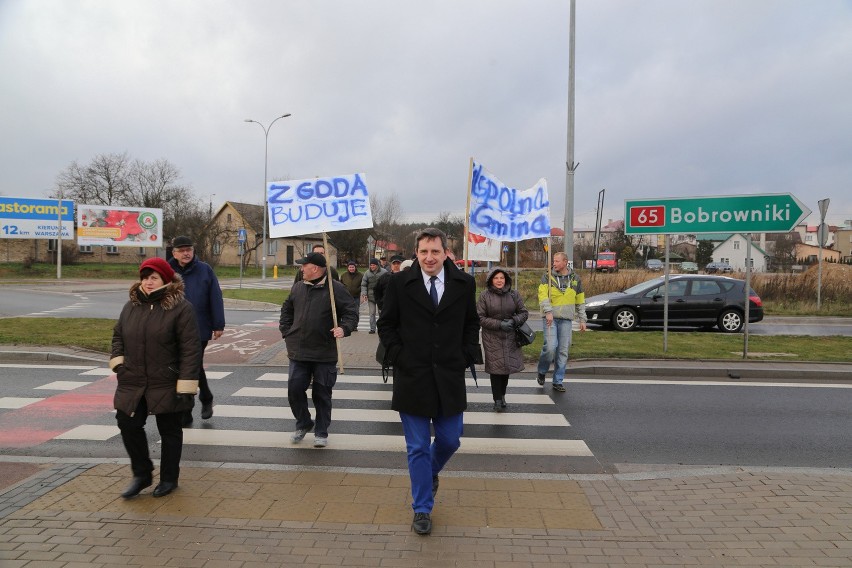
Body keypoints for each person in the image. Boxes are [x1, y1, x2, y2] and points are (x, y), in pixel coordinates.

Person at [377, 228, 481, 536]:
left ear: (446, 252)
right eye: (423, 252)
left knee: (450, 439)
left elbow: (470, 321)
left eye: (435, 251)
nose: (429, 258)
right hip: (412, 375)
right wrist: (399, 355)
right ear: (416, 253)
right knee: (418, 447)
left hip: (449, 375)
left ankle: (430, 472)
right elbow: (387, 324)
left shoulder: (464, 283)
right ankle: (422, 508)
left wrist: (467, 353)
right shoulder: (399, 283)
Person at [110, 257, 202, 499]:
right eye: (145, 277)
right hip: (133, 379)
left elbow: (191, 349)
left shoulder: (181, 308)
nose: (148, 282)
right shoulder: (131, 306)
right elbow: (118, 335)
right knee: (127, 423)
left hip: (166, 380)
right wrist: (119, 362)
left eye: (154, 278)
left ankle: (169, 478)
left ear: (165, 280)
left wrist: (186, 383)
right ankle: (142, 474)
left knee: (169, 430)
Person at [279, 252, 358, 448]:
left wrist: (344, 328)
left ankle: (321, 431)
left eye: (304, 265)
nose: (301, 268)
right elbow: (286, 309)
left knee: (322, 393)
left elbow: (351, 312)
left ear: (315, 268)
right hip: (299, 350)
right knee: (294, 389)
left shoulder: (335, 289)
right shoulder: (298, 287)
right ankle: (303, 422)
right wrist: (286, 330)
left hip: (324, 351)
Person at [168, 235, 225, 426]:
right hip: (173, 328)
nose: (186, 253)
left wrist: (218, 324)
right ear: (174, 253)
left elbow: (215, 297)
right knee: (186, 366)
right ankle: (203, 397)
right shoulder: (167, 271)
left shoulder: (204, 270)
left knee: (192, 365)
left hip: (199, 326)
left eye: (189, 250)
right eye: (182, 250)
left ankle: (189, 406)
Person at [477, 267, 529, 411]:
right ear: (491, 280)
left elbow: (524, 313)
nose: (499, 281)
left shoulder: (514, 294)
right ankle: (497, 400)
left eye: (502, 278)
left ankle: (503, 395)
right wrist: (499, 324)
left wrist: (513, 321)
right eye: (496, 278)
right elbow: (480, 318)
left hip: (510, 337)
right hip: (492, 337)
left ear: (506, 279)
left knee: (506, 369)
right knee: (495, 369)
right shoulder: (484, 296)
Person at [536, 252, 587, 392]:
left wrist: (582, 319)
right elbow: (542, 296)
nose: (554, 263)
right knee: (551, 347)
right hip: (550, 318)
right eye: (554, 261)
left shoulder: (575, 279)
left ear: (565, 262)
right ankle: (542, 370)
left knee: (563, 351)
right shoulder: (547, 277)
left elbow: (580, 300)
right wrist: (548, 312)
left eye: (557, 261)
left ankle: (558, 381)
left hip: (566, 320)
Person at [360, 258, 386, 334]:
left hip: (381, 297)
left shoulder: (384, 272)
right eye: (371, 265)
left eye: (373, 265)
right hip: (371, 297)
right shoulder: (367, 273)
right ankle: (372, 328)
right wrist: (364, 294)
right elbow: (364, 284)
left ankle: (382, 328)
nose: (372, 266)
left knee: (381, 313)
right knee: (372, 313)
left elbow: (388, 282)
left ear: (377, 265)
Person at [339, 261, 363, 331]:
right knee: (346, 311)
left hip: (356, 296)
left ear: (355, 268)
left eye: (353, 267)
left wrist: (359, 290)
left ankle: (355, 325)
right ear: (348, 268)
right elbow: (341, 284)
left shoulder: (360, 275)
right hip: (346, 297)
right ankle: (346, 325)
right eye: (350, 267)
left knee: (355, 311)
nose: (351, 268)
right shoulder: (344, 275)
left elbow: (363, 284)